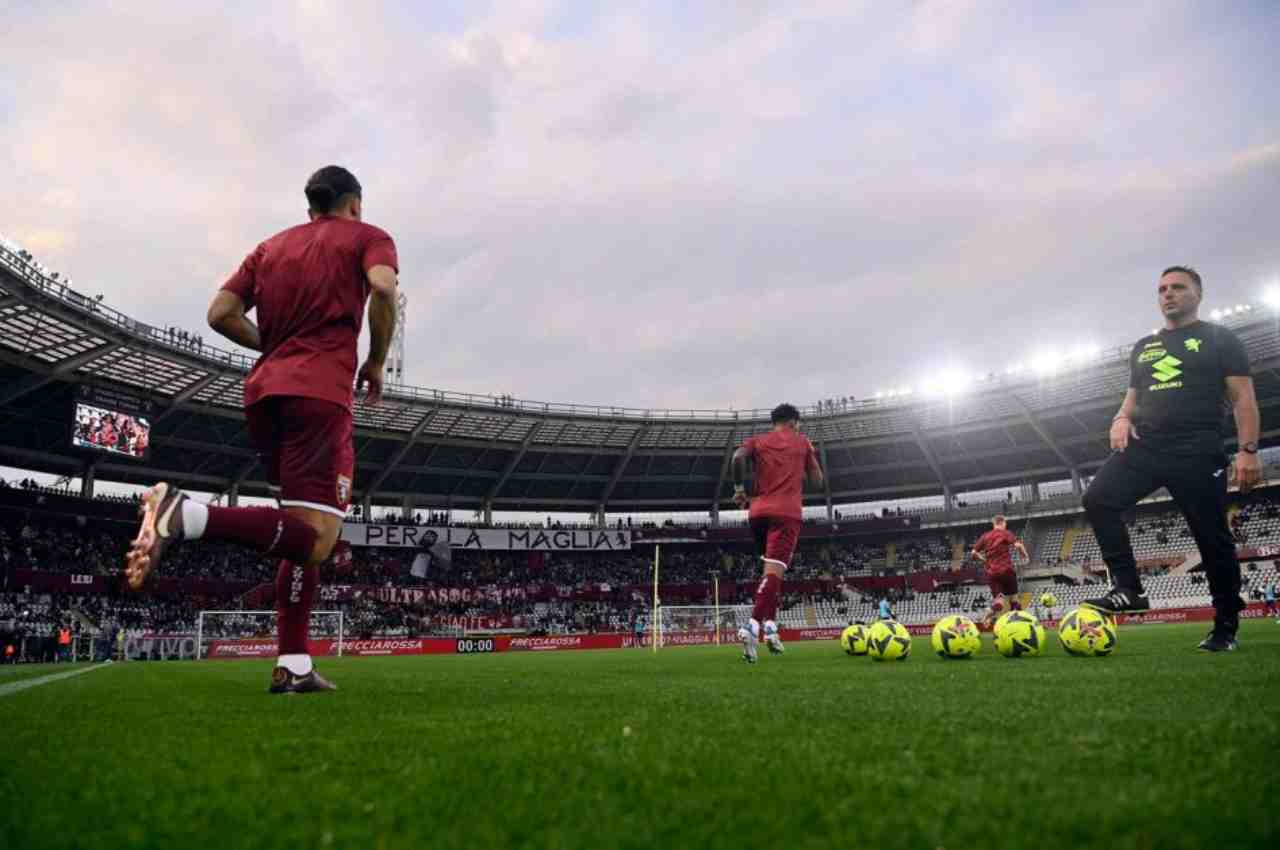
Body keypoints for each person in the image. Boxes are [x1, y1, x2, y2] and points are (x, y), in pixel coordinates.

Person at [124, 165, 400, 692]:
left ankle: (292, 665)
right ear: (356, 204)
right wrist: (377, 361)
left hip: (264, 395)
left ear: (310, 207)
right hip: (320, 396)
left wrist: (274, 347)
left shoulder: (271, 247)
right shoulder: (369, 237)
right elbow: (384, 288)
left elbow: (220, 313)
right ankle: (186, 515)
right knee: (317, 541)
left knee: (298, 531)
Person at [1081, 266, 1259, 652]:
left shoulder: (1219, 338)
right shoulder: (1144, 346)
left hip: (1197, 449)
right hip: (1147, 447)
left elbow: (1243, 398)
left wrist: (1248, 451)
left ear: (1198, 293)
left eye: (1178, 287)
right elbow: (1132, 398)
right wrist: (1120, 417)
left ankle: (1225, 625)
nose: (1168, 294)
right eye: (1162, 288)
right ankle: (1128, 589)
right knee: (1097, 499)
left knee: (1211, 539)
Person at [730, 403, 824, 663]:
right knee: (774, 572)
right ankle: (751, 626)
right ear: (794, 422)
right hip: (786, 514)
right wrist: (807, 469)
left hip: (757, 513)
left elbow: (737, 457)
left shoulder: (758, 440)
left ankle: (771, 628)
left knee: (769, 573)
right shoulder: (802, 441)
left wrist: (739, 489)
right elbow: (818, 481)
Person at [970, 516, 1030, 629]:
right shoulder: (1005, 533)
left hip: (992, 573)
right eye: (1005, 523)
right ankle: (1017, 625)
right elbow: (1018, 545)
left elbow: (973, 553)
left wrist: (983, 559)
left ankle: (987, 615)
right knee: (1014, 599)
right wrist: (1025, 556)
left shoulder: (985, 536)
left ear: (994, 524)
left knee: (999, 603)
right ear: (1002, 523)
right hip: (1007, 571)